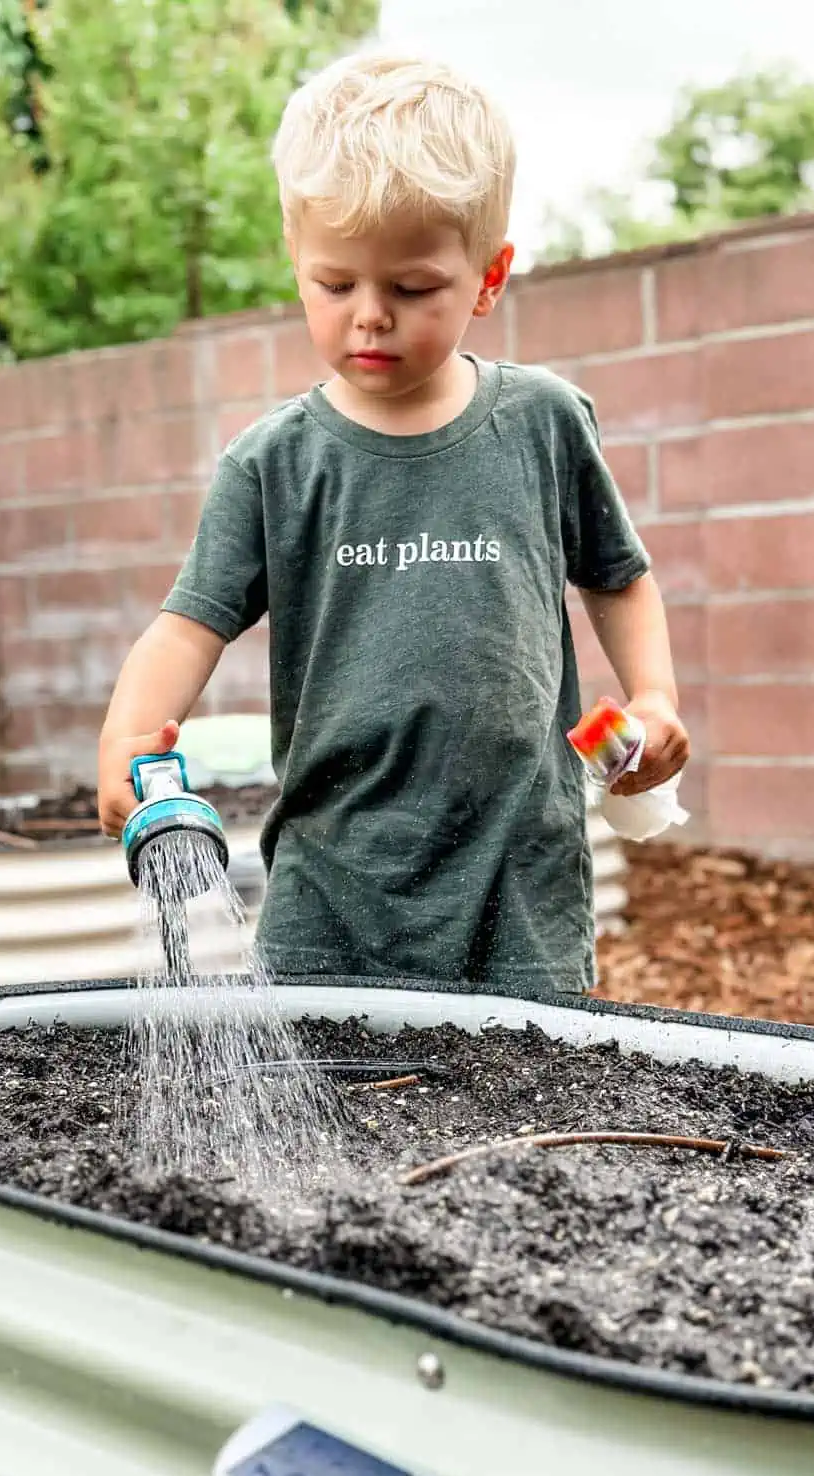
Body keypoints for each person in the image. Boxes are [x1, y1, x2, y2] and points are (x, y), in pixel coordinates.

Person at [97, 50, 689, 994]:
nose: (370, 318)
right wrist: (128, 734)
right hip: (337, 873)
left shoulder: (541, 423)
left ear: (488, 277)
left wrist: (652, 698)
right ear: (297, 263)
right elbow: (188, 623)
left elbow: (616, 575)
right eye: (336, 286)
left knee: (532, 1096)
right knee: (343, 1107)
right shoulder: (275, 462)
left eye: (411, 289)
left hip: (519, 864)